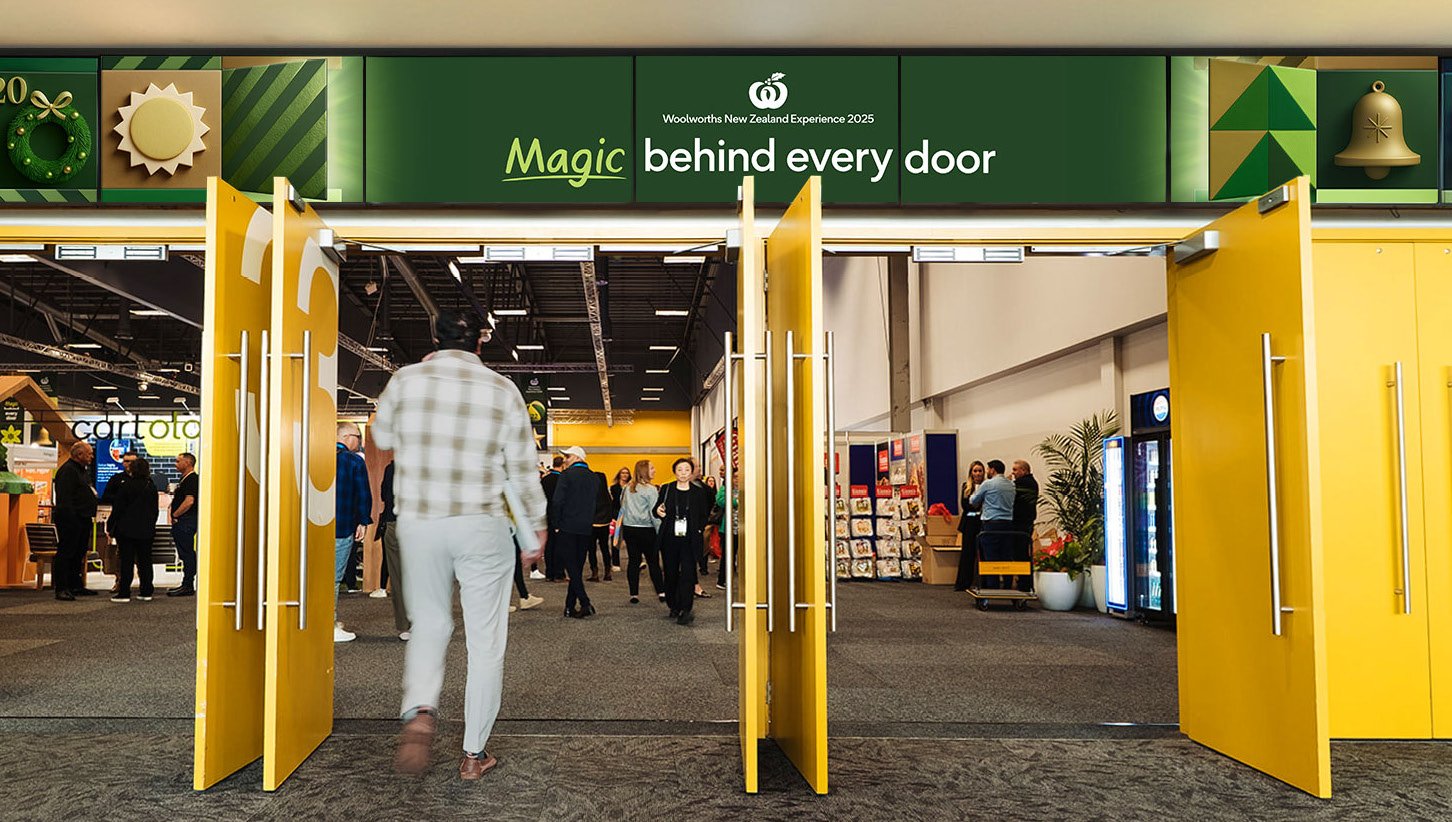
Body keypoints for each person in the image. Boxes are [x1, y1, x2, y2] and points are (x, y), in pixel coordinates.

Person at [375, 309, 548, 781]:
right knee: (486, 641)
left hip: (421, 520)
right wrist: (535, 524)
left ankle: (422, 708)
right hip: (481, 522)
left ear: (435, 337)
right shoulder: (502, 389)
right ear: (481, 341)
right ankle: (474, 754)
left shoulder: (406, 380)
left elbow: (382, 435)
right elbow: (522, 466)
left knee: (430, 622)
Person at [655, 457, 714, 626]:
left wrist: (698, 529)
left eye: (687, 470)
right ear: (675, 472)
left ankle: (686, 609)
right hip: (669, 539)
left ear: (691, 472)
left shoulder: (698, 492)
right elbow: (656, 509)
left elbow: (704, 514)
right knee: (671, 573)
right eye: (680, 470)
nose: (683, 473)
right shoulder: (667, 489)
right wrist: (658, 511)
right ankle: (673, 605)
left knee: (688, 574)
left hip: (690, 540)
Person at [549, 445, 602, 618]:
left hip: (567, 526)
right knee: (576, 567)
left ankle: (585, 602)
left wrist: (556, 523)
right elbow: (596, 503)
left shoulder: (566, 475)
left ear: (578, 458)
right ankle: (569, 606)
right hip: (586, 527)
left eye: (568, 456)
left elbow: (557, 501)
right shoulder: (594, 478)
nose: (565, 459)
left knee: (571, 567)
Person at [333, 423, 372, 643]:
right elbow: (362, 495)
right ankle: (329, 624)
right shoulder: (354, 462)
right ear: (348, 437)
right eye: (358, 437)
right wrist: (363, 521)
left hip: (315, 527)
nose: (360, 442)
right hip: (344, 526)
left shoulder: (317, 457)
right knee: (334, 578)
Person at [52, 441, 98, 600]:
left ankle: (75, 585)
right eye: (89, 453)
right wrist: (71, 519)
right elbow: (65, 499)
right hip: (70, 519)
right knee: (66, 553)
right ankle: (62, 587)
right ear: (79, 455)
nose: (92, 456)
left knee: (78, 553)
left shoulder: (81, 471)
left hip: (83, 518)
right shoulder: (68, 471)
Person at [109, 457, 159, 602]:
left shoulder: (126, 486)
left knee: (126, 561)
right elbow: (154, 510)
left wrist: (111, 525)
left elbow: (118, 508)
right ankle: (146, 591)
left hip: (126, 529)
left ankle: (124, 592)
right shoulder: (151, 486)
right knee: (145, 561)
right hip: (146, 529)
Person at [618, 459, 664, 604]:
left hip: (630, 529)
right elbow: (654, 513)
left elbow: (622, 506)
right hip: (647, 530)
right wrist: (660, 532)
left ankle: (634, 594)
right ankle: (661, 592)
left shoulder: (627, 488)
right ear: (644, 471)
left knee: (633, 561)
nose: (654, 470)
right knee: (653, 562)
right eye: (652, 468)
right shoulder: (650, 489)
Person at [971, 460, 1020, 590]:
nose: (987, 472)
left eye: (987, 469)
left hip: (991, 525)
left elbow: (973, 500)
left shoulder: (988, 484)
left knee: (990, 557)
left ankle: (992, 587)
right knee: (1006, 556)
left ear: (992, 470)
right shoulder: (1011, 485)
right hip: (1008, 525)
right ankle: (1008, 586)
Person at [376, 461, 411, 640]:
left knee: (397, 576)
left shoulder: (392, 467)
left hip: (395, 522)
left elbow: (384, 495)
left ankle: (405, 626)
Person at [166, 452, 199, 597]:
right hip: (183, 522)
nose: (175, 464)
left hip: (186, 522)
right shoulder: (184, 479)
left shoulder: (191, 480)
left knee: (187, 554)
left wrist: (175, 514)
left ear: (187, 462)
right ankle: (186, 583)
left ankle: (188, 584)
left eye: (178, 461)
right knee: (185, 553)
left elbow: (189, 501)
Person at [954, 460, 986, 591]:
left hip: (982, 523)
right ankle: (963, 582)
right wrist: (976, 506)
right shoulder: (965, 486)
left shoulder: (986, 486)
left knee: (983, 553)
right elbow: (965, 505)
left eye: (980, 471)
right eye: (975, 471)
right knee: (967, 553)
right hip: (969, 523)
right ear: (971, 473)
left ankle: (983, 583)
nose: (977, 473)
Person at [1010, 459, 1040, 593]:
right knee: (1021, 553)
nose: (1013, 473)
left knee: (1020, 554)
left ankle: (1024, 584)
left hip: (1021, 524)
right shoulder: (1031, 482)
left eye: (1015, 470)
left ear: (1024, 470)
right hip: (1025, 523)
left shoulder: (1024, 483)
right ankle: (1024, 583)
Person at [538, 455, 565, 581]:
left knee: (549, 545)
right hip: (560, 516)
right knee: (560, 545)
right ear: (563, 465)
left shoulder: (545, 480)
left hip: (546, 515)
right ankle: (559, 572)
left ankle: (549, 573)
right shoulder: (563, 480)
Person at [586, 467, 614, 582]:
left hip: (591, 526)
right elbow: (611, 510)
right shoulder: (607, 496)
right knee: (605, 548)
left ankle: (595, 572)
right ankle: (607, 572)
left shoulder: (589, 495)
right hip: (604, 525)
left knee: (591, 550)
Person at [608, 466, 631, 569]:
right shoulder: (613, 488)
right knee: (616, 539)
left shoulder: (632, 487)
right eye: (623, 473)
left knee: (631, 539)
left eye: (626, 473)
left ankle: (636, 561)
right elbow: (612, 503)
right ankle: (616, 563)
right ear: (619, 475)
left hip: (630, 516)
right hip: (617, 516)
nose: (625, 475)